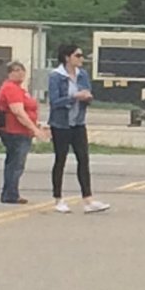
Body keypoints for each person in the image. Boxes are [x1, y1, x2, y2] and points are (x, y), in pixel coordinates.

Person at [47, 44, 110, 214]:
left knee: (83, 159)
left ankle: (88, 199)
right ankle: (58, 199)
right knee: (61, 159)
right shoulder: (56, 76)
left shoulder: (82, 74)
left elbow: (87, 93)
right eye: (77, 55)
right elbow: (54, 101)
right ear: (67, 57)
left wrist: (87, 97)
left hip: (78, 122)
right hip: (61, 124)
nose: (81, 59)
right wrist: (74, 96)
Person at [0, 61, 50, 204]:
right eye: (16, 70)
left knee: (15, 163)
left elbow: (27, 111)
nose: (20, 73)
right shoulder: (10, 88)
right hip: (15, 131)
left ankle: (10, 192)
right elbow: (18, 112)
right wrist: (35, 130)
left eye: (21, 70)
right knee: (16, 163)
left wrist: (36, 125)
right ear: (9, 73)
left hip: (23, 131)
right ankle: (10, 194)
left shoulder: (20, 89)